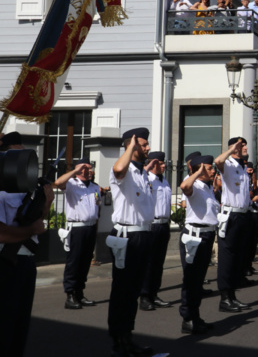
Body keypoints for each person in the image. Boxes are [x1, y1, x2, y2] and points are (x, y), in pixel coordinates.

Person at [0, 136, 53, 357]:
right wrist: (29, 231)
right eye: (15, 153)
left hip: (26, 261)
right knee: (4, 325)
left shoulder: (26, 187)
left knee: (20, 327)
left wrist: (47, 200)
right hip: (5, 262)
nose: (21, 158)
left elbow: (38, 219)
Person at [107, 128, 157, 357]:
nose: (148, 148)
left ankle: (128, 337)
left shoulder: (142, 173)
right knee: (122, 291)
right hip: (127, 237)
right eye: (143, 144)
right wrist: (130, 146)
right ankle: (119, 341)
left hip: (143, 235)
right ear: (132, 146)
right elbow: (118, 168)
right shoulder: (123, 170)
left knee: (133, 290)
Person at [177, 154, 219, 334]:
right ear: (199, 170)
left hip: (206, 235)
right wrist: (198, 171)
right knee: (191, 279)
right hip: (194, 236)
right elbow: (184, 186)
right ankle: (188, 318)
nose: (212, 171)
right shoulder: (194, 185)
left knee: (198, 280)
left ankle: (195, 315)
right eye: (208, 168)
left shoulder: (207, 187)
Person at [53, 158, 101, 310]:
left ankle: (80, 292)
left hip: (91, 228)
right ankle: (70, 295)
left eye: (89, 168)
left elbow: (97, 207)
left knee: (85, 261)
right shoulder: (72, 184)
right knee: (74, 262)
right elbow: (58, 183)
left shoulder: (95, 187)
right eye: (84, 168)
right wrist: (74, 171)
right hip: (77, 228)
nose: (88, 171)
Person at [214, 137, 254, 312]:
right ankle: (224, 297)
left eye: (244, 145)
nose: (245, 148)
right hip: (231, 216)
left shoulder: (242, 167)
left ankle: (232, 295)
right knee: (227, 257)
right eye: (241, 145)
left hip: (243, 215)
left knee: (238, 257)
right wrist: (232, 149)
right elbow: (218, 161)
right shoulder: (228, 164)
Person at [139, 151, 173, 311]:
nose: (164, 165)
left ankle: (154, 293)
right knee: (148, 262)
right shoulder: (146, 179)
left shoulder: (164, 181)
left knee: (158, 263)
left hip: (163, 225)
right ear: (152, 163)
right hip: (151, 225)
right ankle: (144, 296)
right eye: (160, 162)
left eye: (163, 162)